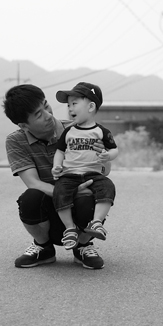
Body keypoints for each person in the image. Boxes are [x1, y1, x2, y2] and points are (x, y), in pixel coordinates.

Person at [3, 84, 109, 269]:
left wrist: (103, 156)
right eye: (39, 114)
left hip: (80, 207)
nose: (48, 115)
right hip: (50, 211)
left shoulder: (79, 130)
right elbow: (33, 182)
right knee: (30, 198)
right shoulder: (16, 141)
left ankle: (83, 246)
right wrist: (70, 192)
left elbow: (103, 171)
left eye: (46, 105)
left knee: (95, 194)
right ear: (23, 125)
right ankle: (44, 247)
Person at [51, 82, 118, 250]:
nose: (70, 108)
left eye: (74, 103)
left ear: (91, 106)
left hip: (93, 174)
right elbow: (60, 151)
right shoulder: (68, 131)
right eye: (68, 105)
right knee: (59, 191)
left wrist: (107, 155)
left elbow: (114, 149)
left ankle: (96, 222)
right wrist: (56, 166)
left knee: (108, 187)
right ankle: (70, 229)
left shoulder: (101, 131)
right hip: (69, 175)